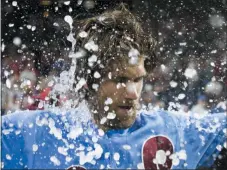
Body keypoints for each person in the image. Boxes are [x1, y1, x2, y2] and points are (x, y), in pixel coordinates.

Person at [1, 4, 226, 170]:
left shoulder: (172, 129)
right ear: (89, 81)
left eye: (138, 79)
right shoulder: (35, 133)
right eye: (120, 80)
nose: (133, 93)